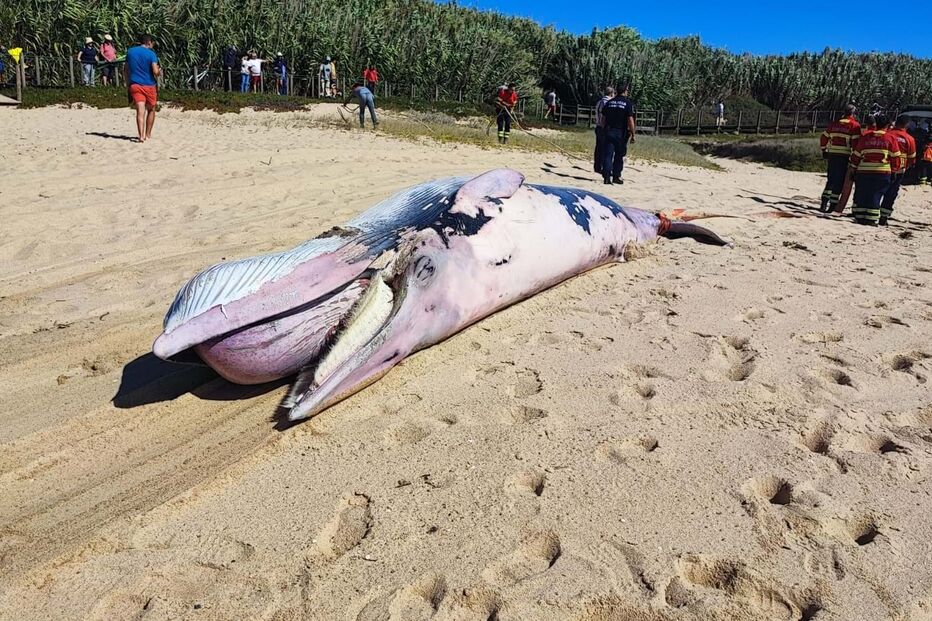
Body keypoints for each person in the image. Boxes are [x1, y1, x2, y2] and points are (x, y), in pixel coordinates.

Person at [848, 114, 903, 226]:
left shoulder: (865, 137)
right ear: (888, 125)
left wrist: (853, 168)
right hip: (882, 172)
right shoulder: (890, 138)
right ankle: (871, 219)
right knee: (876, 193)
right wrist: (895, 170)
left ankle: (860, 216)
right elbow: (895, 157)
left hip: (863, 171)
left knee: (863, 193)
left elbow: (856, 155)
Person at [819, 104, 861, 212]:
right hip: (844, 156)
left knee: (831, 179)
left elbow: (824, 137)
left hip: (832, 154)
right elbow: (856, 144)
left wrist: (824, 149)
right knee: (839, 181)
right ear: (853, 113)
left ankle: (824, 202)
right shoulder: (854, 125)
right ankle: (832, 205)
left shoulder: (834, 123)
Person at [124, 34, 161, 143]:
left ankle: (141, 136)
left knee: (140, 110)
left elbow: (126, 69)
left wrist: (127, 83)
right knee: (151, 109)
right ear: (149, 42)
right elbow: (155, 71)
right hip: (149, 85)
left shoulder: (130, 52)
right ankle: (148, 134)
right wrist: (159, 71)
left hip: (134, 84)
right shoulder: (151, 54)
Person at [881, 116, 917, 223]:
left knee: (877, 191)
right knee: (891, 193)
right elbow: (911, 158)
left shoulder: (887, 134)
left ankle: (871, 212)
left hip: (882, 167)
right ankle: (884, 216)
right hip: (899, 170)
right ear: (907, 125)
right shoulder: (909, 139)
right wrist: (906, 167)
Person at [600, 84, 636, 185]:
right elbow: (630, 120)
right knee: (619, 155)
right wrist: (633, 134)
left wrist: (603, 130)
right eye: (627, 90)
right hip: (621, 132)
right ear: (624, 92)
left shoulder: (610, 102)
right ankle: (616, 176)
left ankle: (606, 177)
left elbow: (603, 118)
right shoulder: (627, 103)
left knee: (608, 155)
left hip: (609, 131)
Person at [593, 86, 614, 174]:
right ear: (612, 93)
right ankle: (603, 166)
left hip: (598, 126)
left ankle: (597, 166)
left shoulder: (599, 101)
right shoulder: (608, 102)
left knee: (598, 147)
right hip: (604, 127)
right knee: (606, 148)